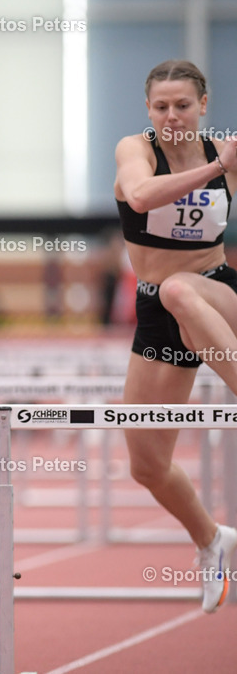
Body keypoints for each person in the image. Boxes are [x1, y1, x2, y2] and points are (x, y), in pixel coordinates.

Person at [114, 59, 237, 613]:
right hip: (156, 309)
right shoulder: (135, 151)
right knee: (146, 464)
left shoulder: (225, 153)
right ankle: (212, 539)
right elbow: (140, 198)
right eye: (161, 106)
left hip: (217, 292)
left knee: (182, 289)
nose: (171, 116)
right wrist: (216, 173)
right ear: (148, 109)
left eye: (182, 105)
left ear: (203, 106)